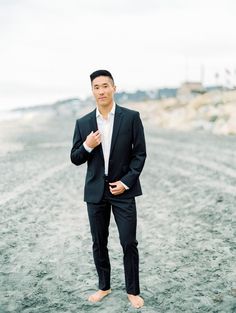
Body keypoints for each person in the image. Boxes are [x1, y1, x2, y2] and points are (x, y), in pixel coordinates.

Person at [70, 69, 146, 309]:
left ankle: (132, 291)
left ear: (114, 88)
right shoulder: (83, 123)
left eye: (105, 86)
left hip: (123, 190)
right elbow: (75, 157)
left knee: (128, 241)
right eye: (96, 87)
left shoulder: (131, 117)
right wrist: (87, 145)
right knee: (98, 242)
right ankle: (104, 286)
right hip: (95, 191)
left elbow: (140, 154)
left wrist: (126, 182)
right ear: (92, 91)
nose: (101, 91)